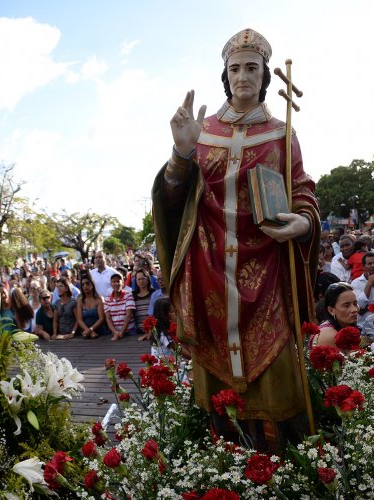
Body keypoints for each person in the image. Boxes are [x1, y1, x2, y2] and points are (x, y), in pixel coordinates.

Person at [152, 28, 321, 439]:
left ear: (265, 75)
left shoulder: (283, 133)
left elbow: (301, 188)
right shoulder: (201, 131)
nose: (243, 75)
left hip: (266, 271)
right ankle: (227, 472)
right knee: (222, 405)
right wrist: (182, 154)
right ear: (224, 76)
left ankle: (287, 471)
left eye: (252, 68)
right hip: (207, 268)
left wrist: (304, 222)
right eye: (235, 68)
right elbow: (173, 200)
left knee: (279, 388)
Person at [313, 283, 359, 348]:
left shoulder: (343, 326)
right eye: (346, 305)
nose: (354, 309)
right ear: (331, 310)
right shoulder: (329, 335)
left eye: (355, 304)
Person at [75, 274, 107, 339]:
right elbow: (79, 320)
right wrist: (88, 331)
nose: (85, 286)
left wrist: (91, 329)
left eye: (87, 283)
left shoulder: (99, 299)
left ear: (92, 285)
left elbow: (101, 318)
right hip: (85, 332)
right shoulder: (80, 300)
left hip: (100, 333)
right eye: (83, 284)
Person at [132, 269, 156, 341]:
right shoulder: (133, 295)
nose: (141, 281)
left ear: (148, 279)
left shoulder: (154, 293)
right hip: (137, 332)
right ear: (135, 281)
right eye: (139, 279)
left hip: (153, 330)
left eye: (143, 278)